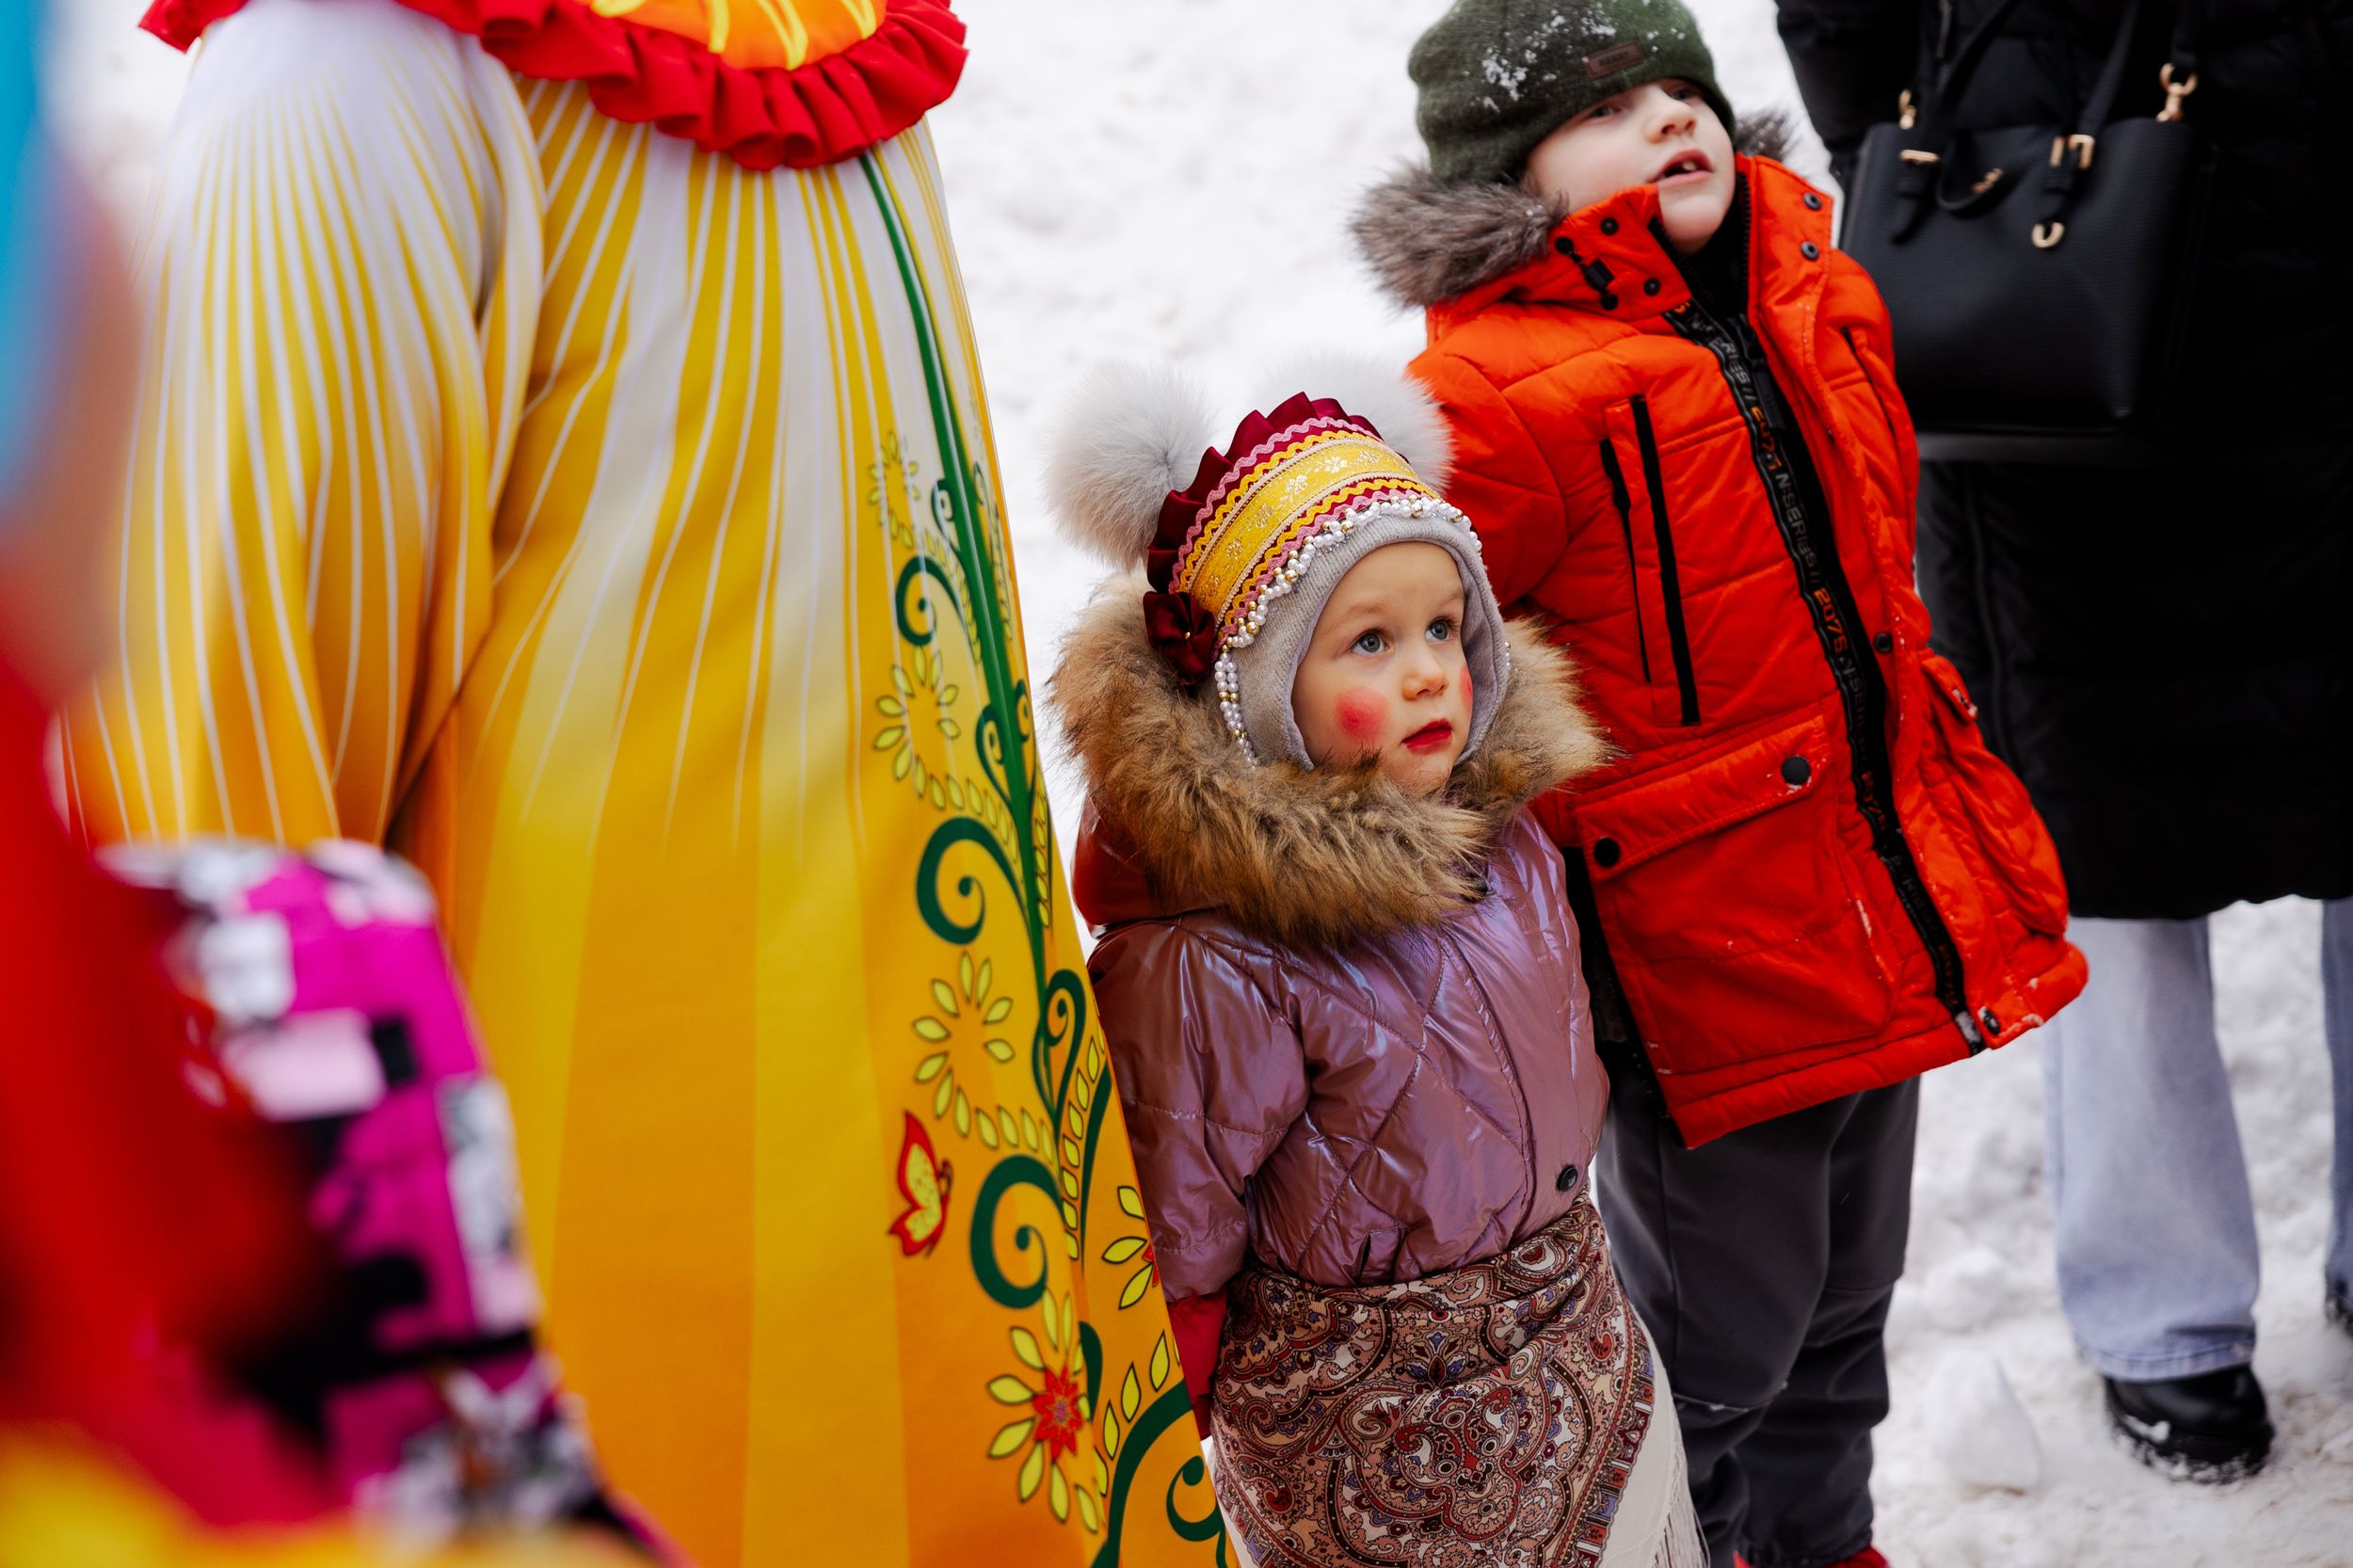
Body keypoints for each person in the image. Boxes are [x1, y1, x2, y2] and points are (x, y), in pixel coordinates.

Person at [68, 2, 1217, 1561]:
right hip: (613, 1373)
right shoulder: (353, 70)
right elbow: (226, 873)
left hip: (939, 1332)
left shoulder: (821, 38)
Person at [1352, 2, 2088, 1563]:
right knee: (1712, 1350)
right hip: (1696, 967)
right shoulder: (1487, 398)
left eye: (1681, 86)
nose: (1671, 118)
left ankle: (1822, 1543)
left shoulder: (1810, 295)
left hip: (1871, 899)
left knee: (1846, 1307)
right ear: (1509, 178)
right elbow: (1427, 675)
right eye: (1608, 108)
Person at [1774, 0, 2353, 1483]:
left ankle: (2169, 1330)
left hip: (2082, 233)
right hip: (2074, 275)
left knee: (2119, 835)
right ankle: (2168, 1322)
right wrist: (1928, 147)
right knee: (2103, 834)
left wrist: (1931, 144)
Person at [1046, 363, 1704, 1568]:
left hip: (1574, 1335)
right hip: (1369, 1420)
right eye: (1368, 640)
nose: (1426, 670)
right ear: (1258, 692)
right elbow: (1174, 1208)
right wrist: (1162, 1395)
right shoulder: (1214, 952)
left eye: (1444, 627)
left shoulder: (1502, 842)